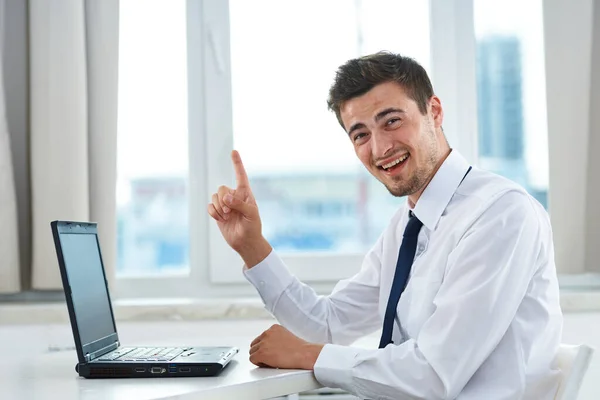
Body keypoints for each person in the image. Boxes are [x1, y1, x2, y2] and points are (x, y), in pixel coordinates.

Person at [207, 51, 562, 399]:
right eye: (360, 134)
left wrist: (307, 355)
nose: (380, 148)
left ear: (433, 112)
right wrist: (251, 246)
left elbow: (433, 376)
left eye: (392, 121)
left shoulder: (499, 214)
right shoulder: (407, 226)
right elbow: (328, 325)